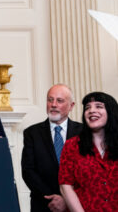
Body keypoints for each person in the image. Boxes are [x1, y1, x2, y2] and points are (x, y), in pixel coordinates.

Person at [21, 84, 82, 212]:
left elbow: (89, 172)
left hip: (78, 204)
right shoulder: (32, 133)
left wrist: (67, 200)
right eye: (50, 99)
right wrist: (53, 199)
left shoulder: (83, 132)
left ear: (71, 106)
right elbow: (28, 171)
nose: (53, 104)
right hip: (44, 204)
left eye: (59, 101)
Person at [59, 91, 118, 212]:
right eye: (87, 108)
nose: (91, 110)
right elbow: (65, 185)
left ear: (111, 112)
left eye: (99, 106)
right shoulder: (71, 145)